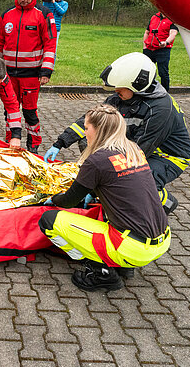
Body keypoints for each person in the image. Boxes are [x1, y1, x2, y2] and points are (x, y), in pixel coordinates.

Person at [39, 104, 171, 291]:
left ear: (98, 130)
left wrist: (53, 199)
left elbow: (69, 201)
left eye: (86, 128)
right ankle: (124, 266)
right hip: (162, 239)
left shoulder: (97, 161)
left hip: (132, 247)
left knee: (48, 221)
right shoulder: (134, 150)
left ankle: (101, 271)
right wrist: (93, 193)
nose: (84, 133)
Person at [45, 52, 190, 216]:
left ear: (138, 86)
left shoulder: (161, 109)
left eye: (120, 88)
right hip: (135, 144)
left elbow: (139, 152)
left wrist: (95, 186)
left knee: (139, 178)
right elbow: (91, 121)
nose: (116, 91)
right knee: (88, 143)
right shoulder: (120, 98)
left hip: (167, 156)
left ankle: (165, 201)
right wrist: (60, 143)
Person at [0, 0, 57, 154]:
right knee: (9, 110)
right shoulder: (7, 15)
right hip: (8, 75)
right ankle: (11, 140)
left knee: (29, 112)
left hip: (31, 74)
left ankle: (33, 143)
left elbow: (50, 44)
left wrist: (46, 70)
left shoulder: (44, 14)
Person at [142, 10, 178, 91]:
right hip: (149, 49)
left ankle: (165, 93)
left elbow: (173, 33)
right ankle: (146, 90)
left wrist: (166, 42)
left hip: (163, 50)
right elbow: (147, 32)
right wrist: (145, 46)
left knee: (163, 73)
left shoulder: (173, 20)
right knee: (146, 72)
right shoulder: (154, 17)